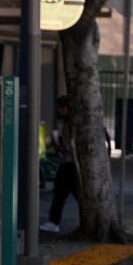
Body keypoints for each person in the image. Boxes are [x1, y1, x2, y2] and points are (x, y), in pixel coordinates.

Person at [40, 96, 79, 234]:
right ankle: (54, 220)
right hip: (72, 164)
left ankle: (54, 221)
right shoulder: (71, 123)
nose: (59, 110)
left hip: (68, 164)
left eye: (62, 108)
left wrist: (56, 145)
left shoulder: (70, 124)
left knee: (60, 193)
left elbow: (68, 147)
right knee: (67, 193)